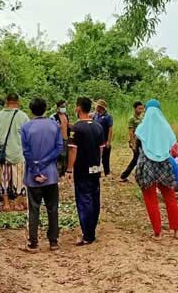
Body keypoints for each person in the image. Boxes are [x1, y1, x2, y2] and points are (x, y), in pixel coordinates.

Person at [134, 99, 178, 240]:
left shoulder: (142, 128)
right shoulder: (166, 127)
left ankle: (158, 232)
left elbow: (138, 148)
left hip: (147, 166)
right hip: (164, 165)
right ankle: (176, 230)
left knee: (151, 199)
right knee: (170, 197)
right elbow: (171, 146)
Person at [21, 98, 64, 252]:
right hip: (51, 174)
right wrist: (45, 163)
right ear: (45, 109)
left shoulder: (26, 127)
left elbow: (26, 152)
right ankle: (53, 241)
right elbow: (59, 148)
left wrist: (36, 167)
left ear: (31, 110)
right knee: (52, 207)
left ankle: (33, 242)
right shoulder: (54, 125)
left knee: (33, 209)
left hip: (33, 175)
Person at [67, 97, 105, 246]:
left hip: (82, 169)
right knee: (95, 198)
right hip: (95, 167)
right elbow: (101, 149)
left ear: (79, 108)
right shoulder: (98, 126)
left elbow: (72, 150)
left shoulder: (76, 129)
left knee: (84, 200)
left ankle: (87, 234)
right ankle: (92, 230)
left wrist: (70, 169)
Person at [0, 93, 30, 211]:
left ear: (6, 101)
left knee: (4, 179)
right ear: (18, 102)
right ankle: (18, 203)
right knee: (20, 180)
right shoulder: (23, 116)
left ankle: (6, 204)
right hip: (18, 153)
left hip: (4, 154)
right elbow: (28, 136)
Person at [120, 101, 144, 182]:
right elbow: (131, 132)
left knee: (138, 158)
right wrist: (133, 144)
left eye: (142, 108)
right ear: (134, 109)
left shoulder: (142, 118)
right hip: (135, 142)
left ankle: (126, 175)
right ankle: (124, 175)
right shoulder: (132, 119)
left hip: (141, 141)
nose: (141, 110)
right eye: (139, 108)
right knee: (136, 159)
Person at [93, 100, 114, 176]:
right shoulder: (95, 115)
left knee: (105, 158)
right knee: (96, 158)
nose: (95, 107)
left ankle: (107, 172)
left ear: (101, 107)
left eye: (97, 106)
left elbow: (110, 129)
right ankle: (96, 172)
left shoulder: (108, 117)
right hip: (96, 140)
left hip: (104, 140)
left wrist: (108, 141)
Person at [50, 100, 71, 176]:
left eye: (64, 106)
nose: (63, 108)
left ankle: (64, 172)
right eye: (62, 106)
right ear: (58, 107)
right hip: (58, 139)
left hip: (66, 138)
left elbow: (68, 125)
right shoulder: (53, 117)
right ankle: (58, 173)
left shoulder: (66, 115)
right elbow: (51, 128)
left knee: (65, 156)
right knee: (59, 156)